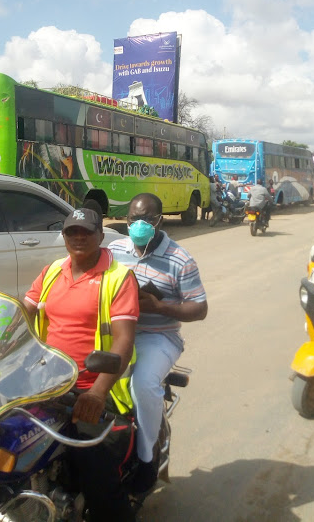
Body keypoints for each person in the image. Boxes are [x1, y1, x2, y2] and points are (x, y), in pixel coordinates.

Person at [24, 208, 139, 522]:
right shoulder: (51, 272)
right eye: (71, 231)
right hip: (46, 383)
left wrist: (98, 392)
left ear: (101, 236)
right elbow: (22, 311)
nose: (78, 237)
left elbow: (123, 341)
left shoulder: (117, 277)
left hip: (90, 387)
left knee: (98, 479)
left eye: (86, 232)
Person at [108, 193, 208, 493]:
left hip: (158, 335)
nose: (138, 225)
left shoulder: (180, 259)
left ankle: (147, 456)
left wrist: (159, 307)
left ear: (159, 221)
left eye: (146, 220)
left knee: (143, 384)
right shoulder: (114, 249)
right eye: (132, 219)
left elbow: (199, 309)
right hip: (116, 331)